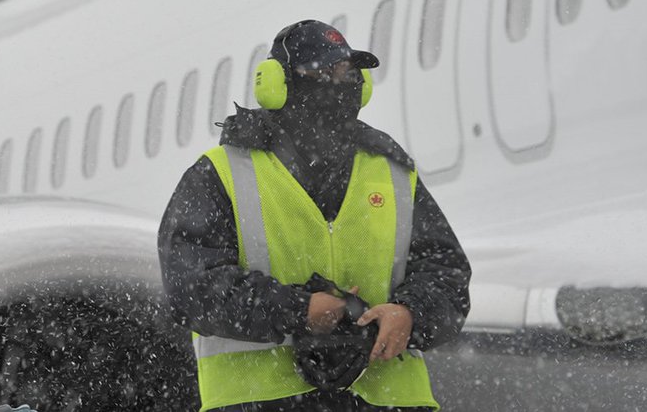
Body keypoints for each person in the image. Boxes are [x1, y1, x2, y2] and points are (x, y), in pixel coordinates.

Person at [158, 20, 470, 411]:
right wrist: (297, 311)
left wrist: (408, 313)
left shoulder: (392, 175)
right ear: (276, 84)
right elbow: (191, 286)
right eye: (323, 72)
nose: (340, 84)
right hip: (261, 402)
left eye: (349, 73)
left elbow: (447, 273)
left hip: (386, 402)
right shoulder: (221, 174)